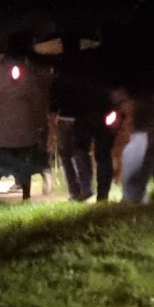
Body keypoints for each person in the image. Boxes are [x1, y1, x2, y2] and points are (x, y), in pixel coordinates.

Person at [0, 35, 51, 199]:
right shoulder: (29, 73)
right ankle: (25, 195)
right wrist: (40, 123)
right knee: (24, 163)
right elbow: (37, 101)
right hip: (25, 127)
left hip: (4, 127)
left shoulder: (0, 72)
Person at [52, 35, 115, 202]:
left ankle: (80, 189)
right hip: (97, 112)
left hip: (72, 115)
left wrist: (53, 109)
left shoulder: (61, 65)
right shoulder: (93, 62)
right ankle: (102, 194)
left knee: (74, 152)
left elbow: (55, 93)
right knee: (102, 153)